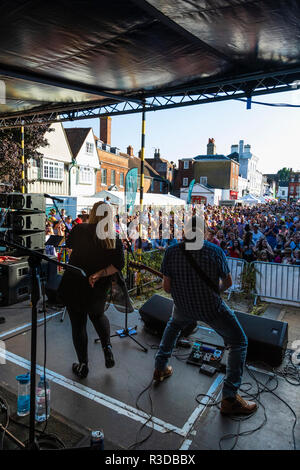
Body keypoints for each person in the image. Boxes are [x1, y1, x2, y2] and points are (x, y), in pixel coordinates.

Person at [153, 217, 257, 416]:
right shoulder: (214, 251)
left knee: (173, 327)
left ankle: (160, 368)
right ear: (205, 232)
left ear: (184, 232)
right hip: (211, 308)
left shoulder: (172, 251)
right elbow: (227, 282)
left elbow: (166, 287)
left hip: (183, 306)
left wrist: (184, 293)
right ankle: (229, 398)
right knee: (239, 342)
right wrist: (213, 290)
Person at [58, 201, 124, 379]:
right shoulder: (113, 237)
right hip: (97, 287)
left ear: (93, 213)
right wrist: (98, 274)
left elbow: (69, 246)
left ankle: (83, 365)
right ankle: (107, 348)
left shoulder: (80, 229)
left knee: (78, 325)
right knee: (98, 316)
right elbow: (118, 265)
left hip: (74, 283)